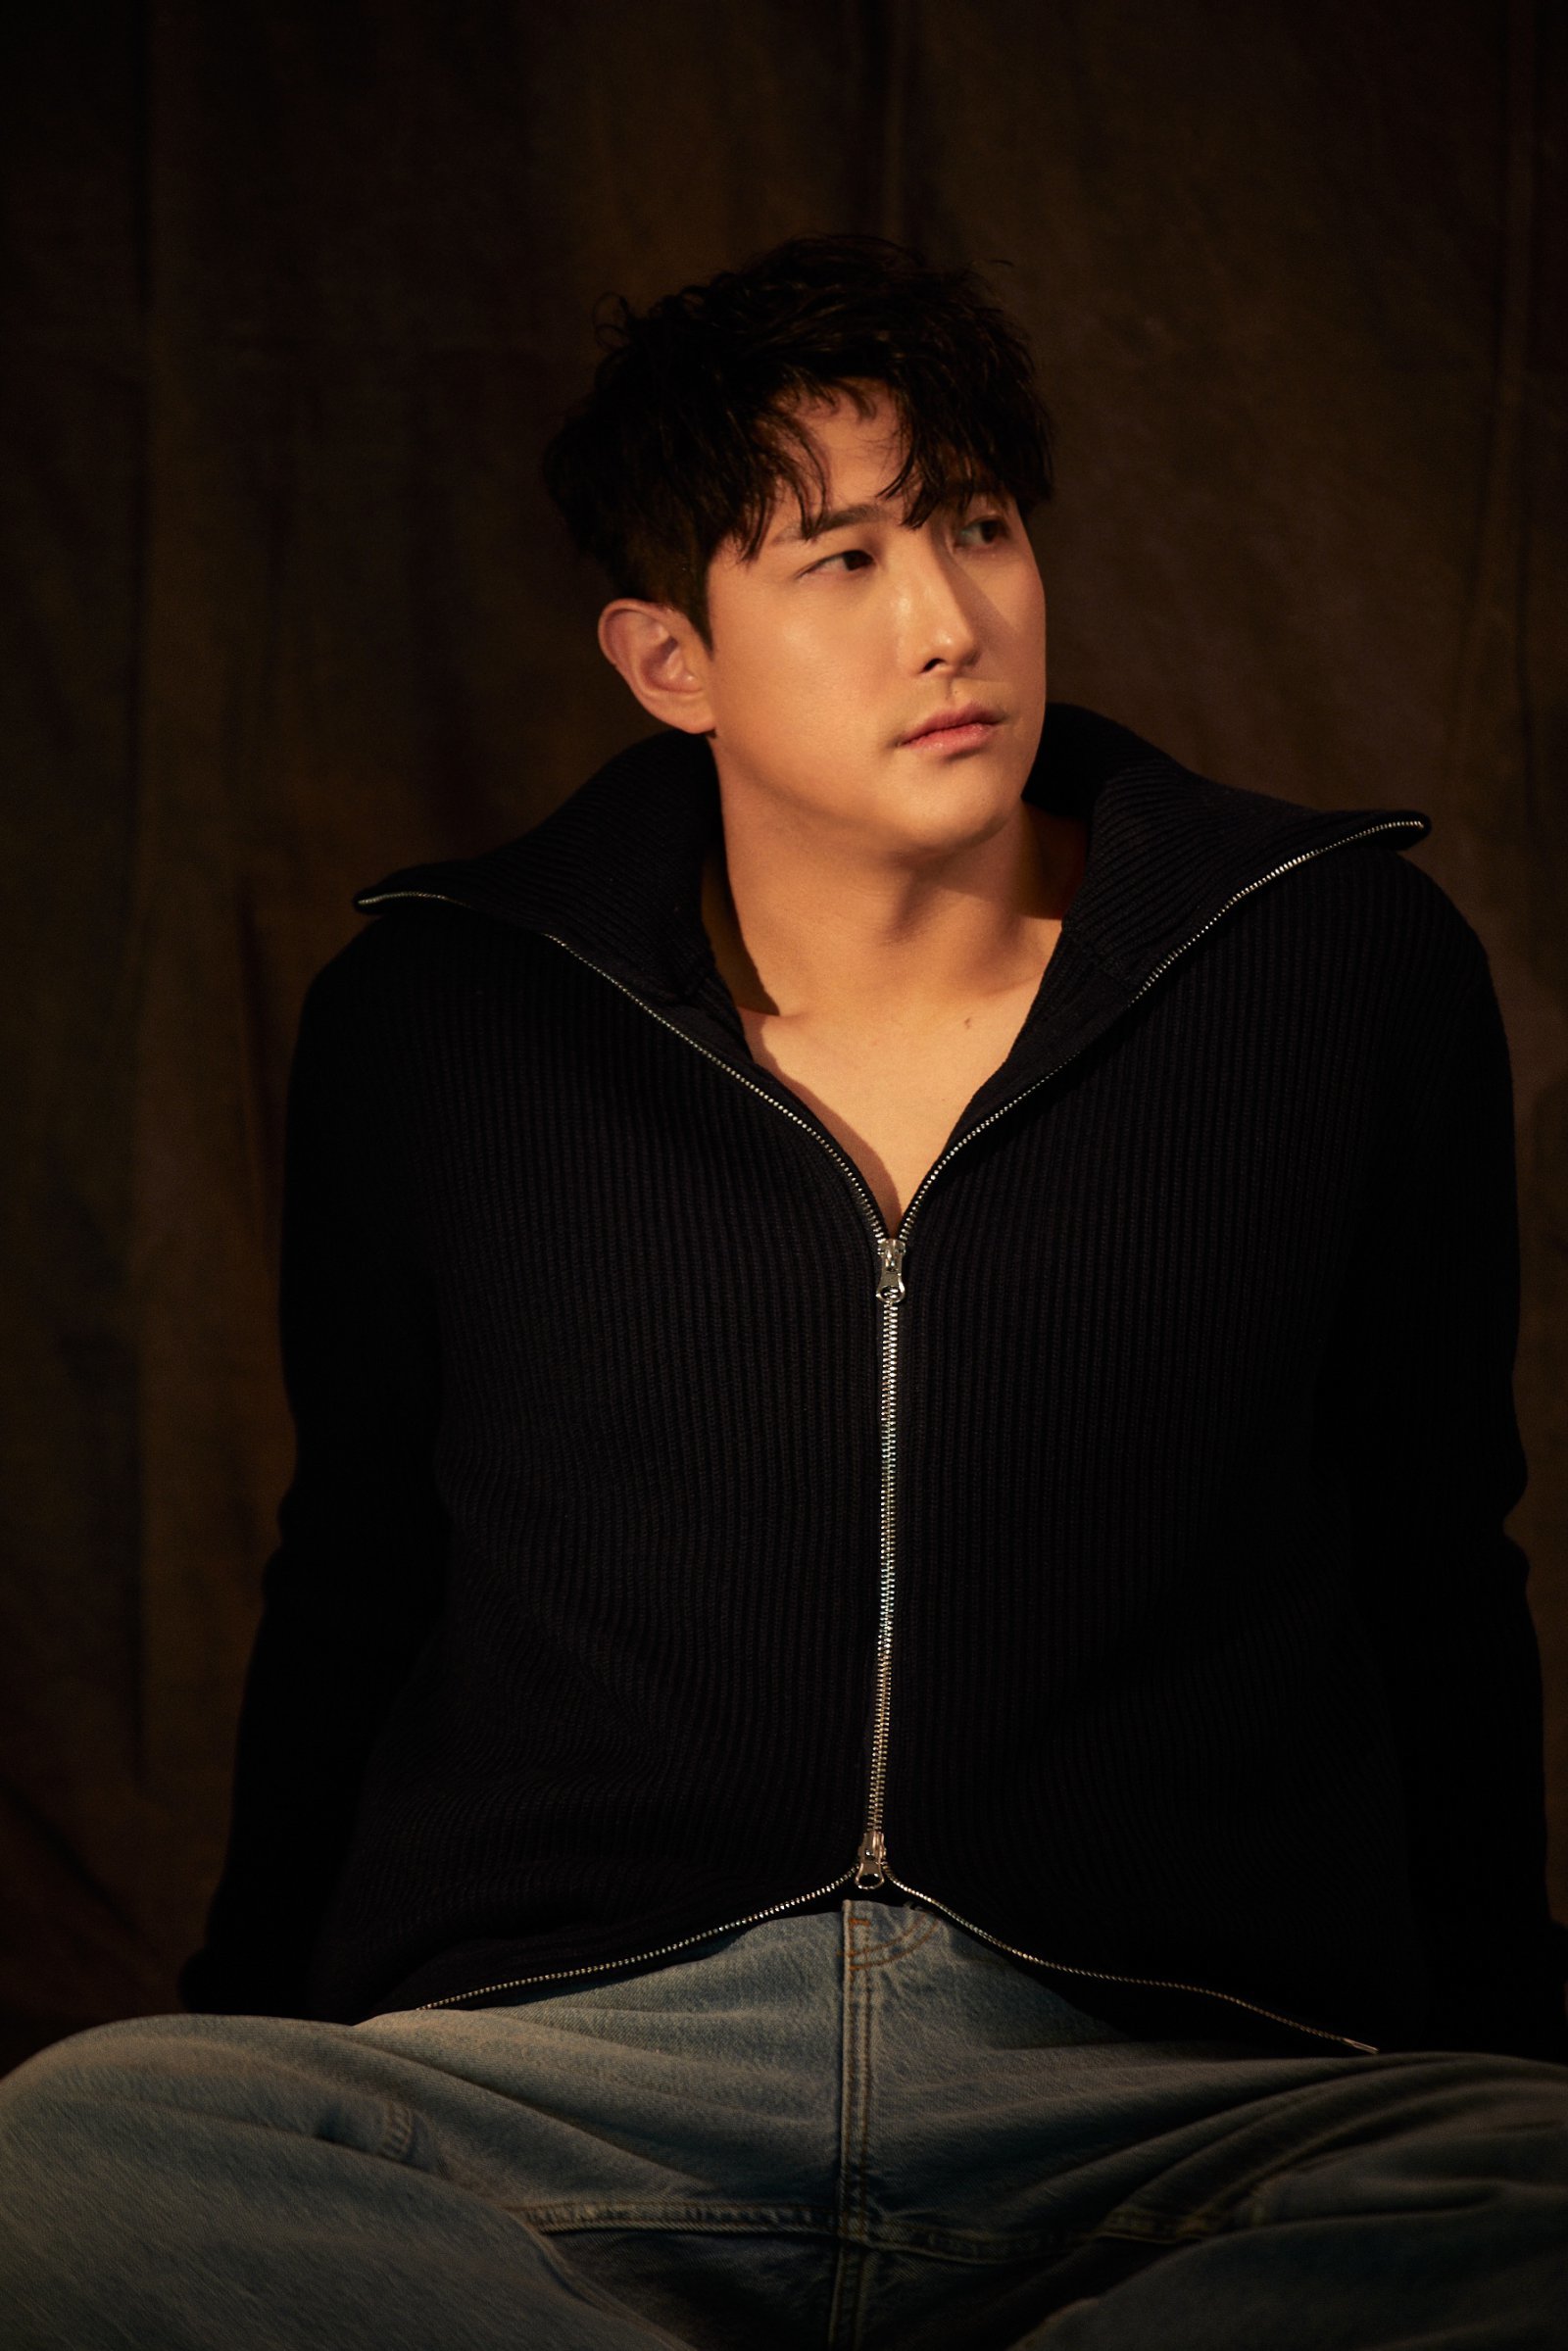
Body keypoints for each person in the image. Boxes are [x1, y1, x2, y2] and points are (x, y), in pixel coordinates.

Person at [1, 231, 1565, 2349]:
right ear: (671, 660)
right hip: (586, 2085)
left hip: (1160, 2093)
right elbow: (357, 1572)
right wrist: (266, 2055)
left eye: (977, 526)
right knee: (66, 2157)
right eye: (840, 560)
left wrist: (1487, 2043)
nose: (948, 622)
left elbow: (1437, 1556)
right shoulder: (442, 1020)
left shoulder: (1333, 973)